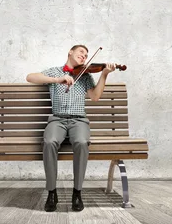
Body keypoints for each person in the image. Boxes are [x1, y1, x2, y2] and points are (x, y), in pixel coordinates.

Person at [26, 45, 116, 212]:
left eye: (87, 54)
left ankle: (77, 192)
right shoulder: (54, 71)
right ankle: (52, 192)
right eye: (81, 52)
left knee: (82, 143)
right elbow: (30, 77)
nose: (84, 56)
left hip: (79, 121)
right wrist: (57, 80)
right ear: (70, 52)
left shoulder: (86, 75)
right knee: (49, 141)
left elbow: (95, 97)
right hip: (57, 120)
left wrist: (104, 74)